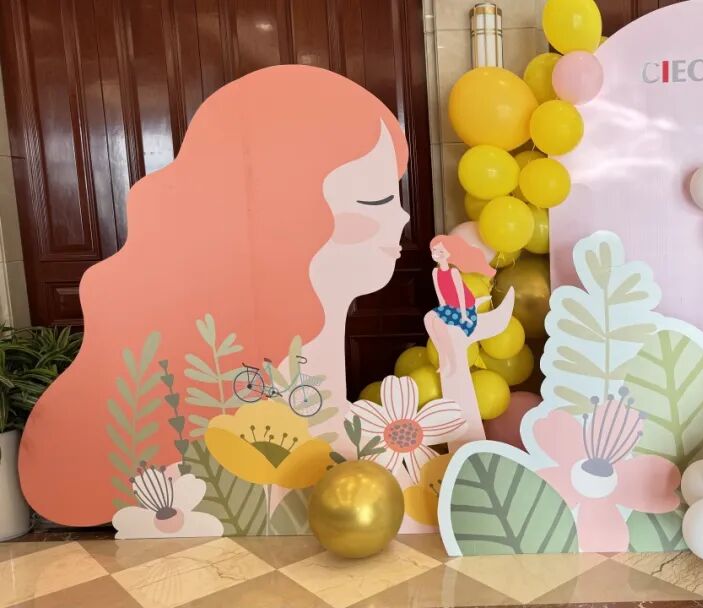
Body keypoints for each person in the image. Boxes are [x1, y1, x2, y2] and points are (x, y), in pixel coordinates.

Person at [18, 65, 410, 528]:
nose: (402, 218)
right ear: (295, 215)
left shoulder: (314, 370)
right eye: (376, 202)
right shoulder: (246, 390)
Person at [426, 235, 496, 374]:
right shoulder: (435, 272)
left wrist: (464, 315)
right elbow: (440, 294)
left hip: (465, 307)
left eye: (441, 251)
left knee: (447, 331)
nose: (438, 254)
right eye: (435, 251)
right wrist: (443, 312)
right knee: (429, 320)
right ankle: (444, 359)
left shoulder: (454, 272)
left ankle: (450, 361)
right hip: (450, 307)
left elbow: (461, 294)